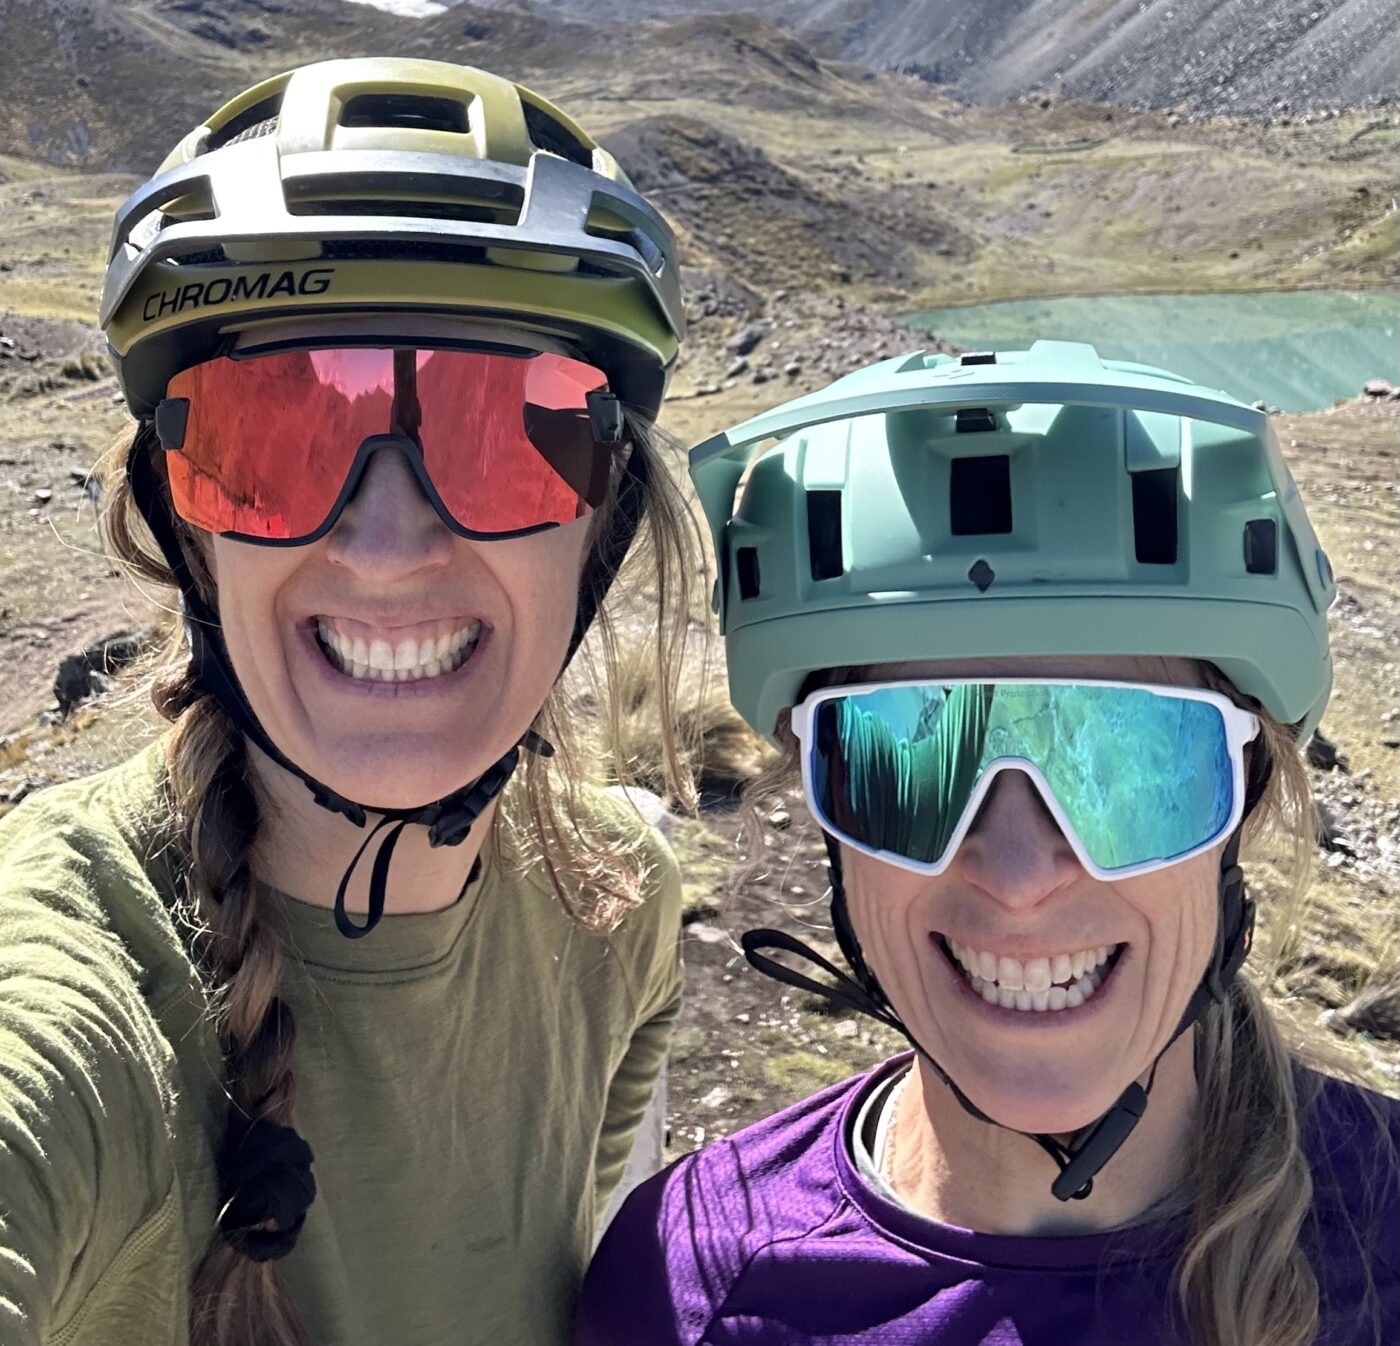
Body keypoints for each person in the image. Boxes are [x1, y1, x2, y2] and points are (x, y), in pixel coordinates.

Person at [0, 57, 698, 1346]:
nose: (385, 550)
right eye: (275, 435)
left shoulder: (620, 907)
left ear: (601, 524)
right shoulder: (70, 967)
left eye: (504, 429)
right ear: (188, 529)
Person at [578, 342, 1399, 1346]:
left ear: (1245, 802)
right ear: (824, 811)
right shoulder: (688, 1288)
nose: (1015, 876)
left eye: (1126, 757)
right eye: (910, 760)